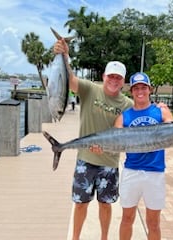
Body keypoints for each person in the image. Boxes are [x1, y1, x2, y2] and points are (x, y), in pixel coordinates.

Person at [54, 38, 133, 240]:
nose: (114, 80)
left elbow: (140, 118)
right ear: (103, 76)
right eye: (111, 76)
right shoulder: (90, 89)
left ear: (123, 81)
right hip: (85, 161)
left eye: (118, 78)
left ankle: (104, 238)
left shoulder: (127, 104)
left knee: (105, 205)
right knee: (80, 204)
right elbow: (70, 79)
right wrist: (64, 55)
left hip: (110, 163)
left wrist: (161, 110)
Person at [113, 72, 173, 240]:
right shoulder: (124, 116)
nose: (140, 91)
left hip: (155, 172)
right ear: (131, 91)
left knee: (153, 222)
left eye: (143, 88)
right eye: (136, 88)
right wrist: (97, 147)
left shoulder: (161, 111)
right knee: (127, 218)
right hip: (131, 171)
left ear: (150, 90)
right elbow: (114, 140)